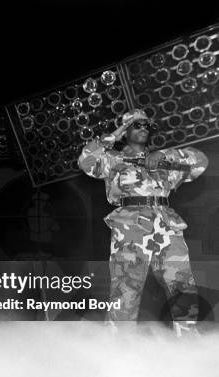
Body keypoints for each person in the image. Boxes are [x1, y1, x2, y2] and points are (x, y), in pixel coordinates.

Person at [78, 109, 208, 335]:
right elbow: (86, 161)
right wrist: (115, 134)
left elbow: (200, 162)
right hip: (131, 227)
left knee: (182, 285)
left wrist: (164, 155)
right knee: (126, 287)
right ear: (126, 130)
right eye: (136, 125)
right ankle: (120, 344)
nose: (143, 129)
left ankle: (188, 339)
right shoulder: (113, 160)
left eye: (147, 125)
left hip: (166, 224)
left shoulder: (163, 161)